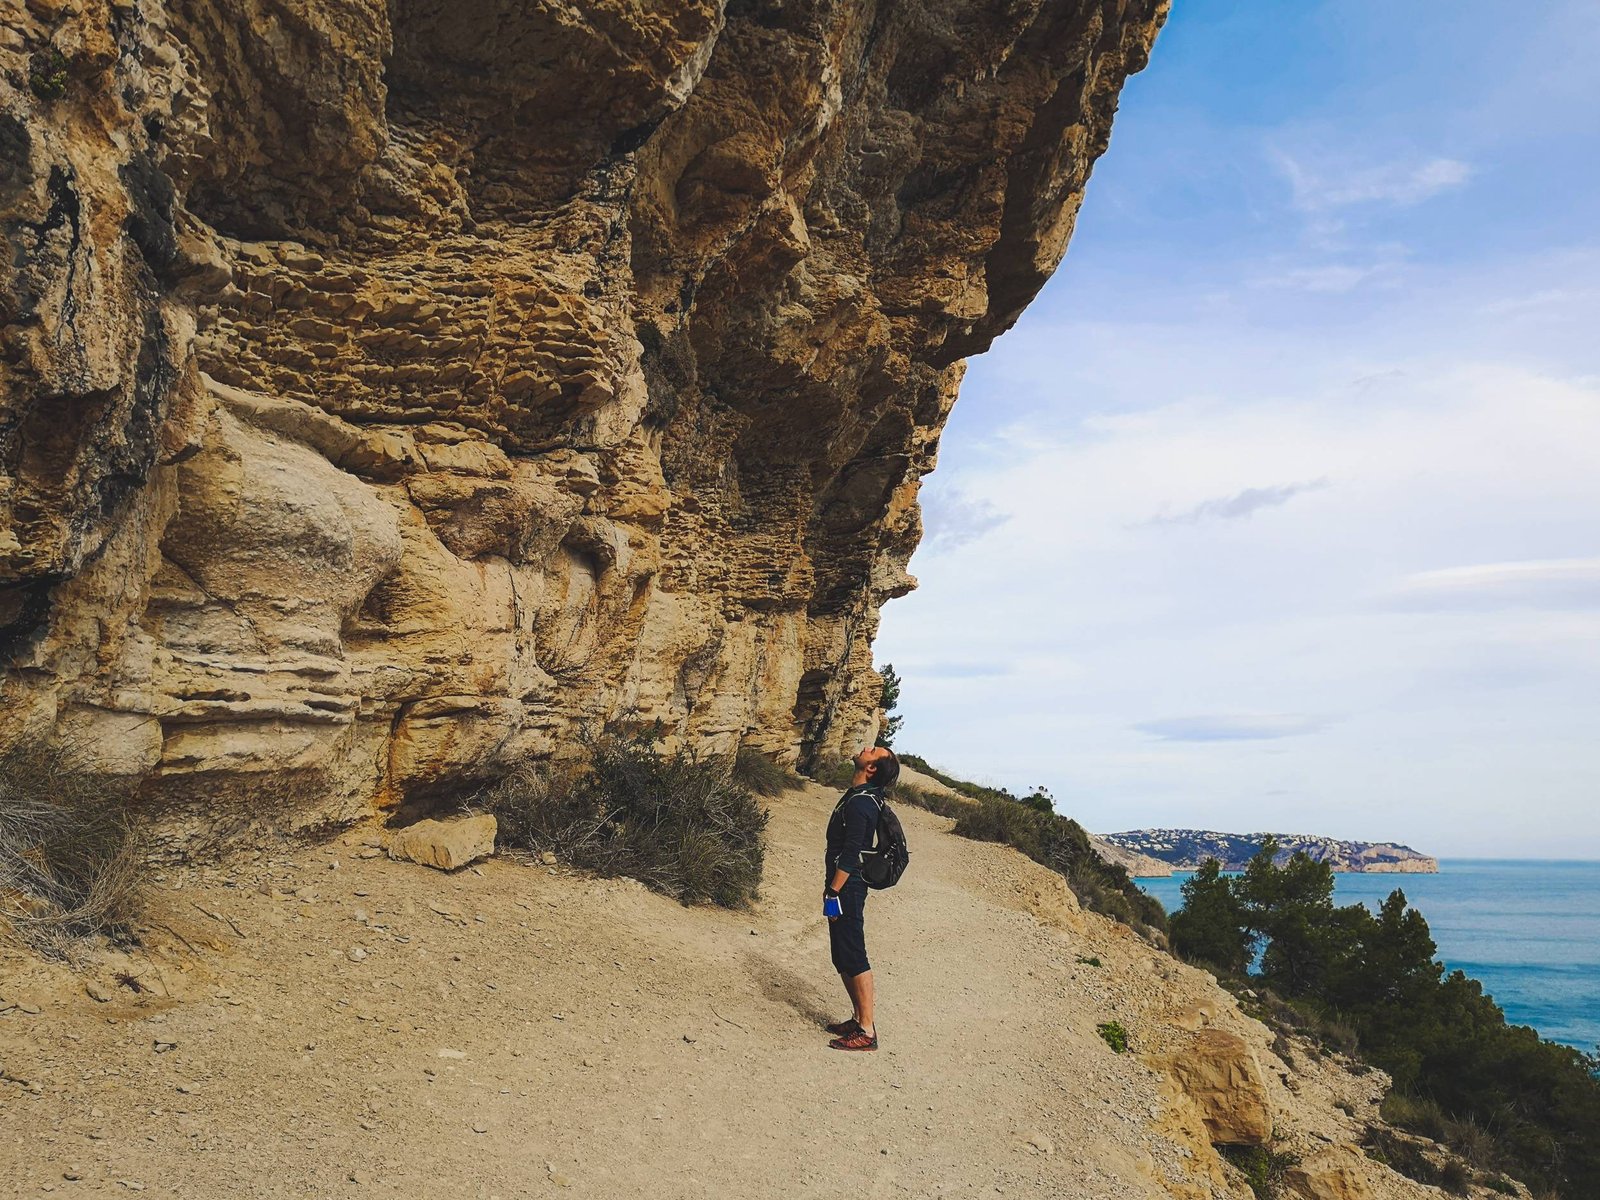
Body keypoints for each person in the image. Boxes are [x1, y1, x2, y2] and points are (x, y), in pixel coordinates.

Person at [822, 744, 899, 1051]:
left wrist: (834, 889)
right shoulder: (858, 796)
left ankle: (866, 1030)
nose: (867, 747)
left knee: (853, 952)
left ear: (871, 769)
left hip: (848, 887)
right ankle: (857, 1018)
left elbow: (852, 852)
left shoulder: (862, 804)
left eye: (873, 751)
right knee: (841, 954)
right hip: (842, 884)